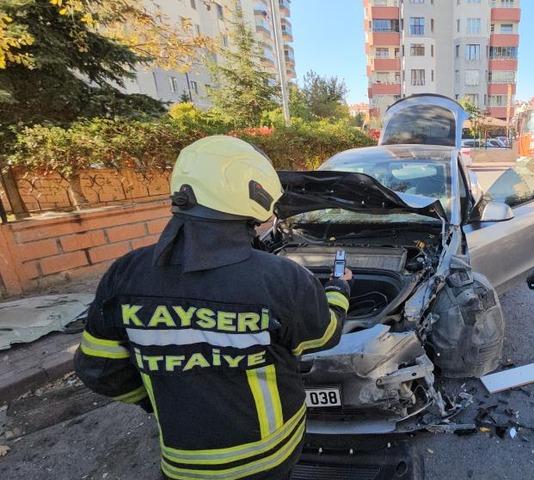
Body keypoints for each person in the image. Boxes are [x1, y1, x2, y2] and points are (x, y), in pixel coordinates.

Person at [75, 136, 352, 480]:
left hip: (183, 464)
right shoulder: (280, 278)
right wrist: (339, 289)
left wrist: (157, 399)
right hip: (269, 458)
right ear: (253, 190)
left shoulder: (125, 274)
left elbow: (98, 370)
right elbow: (324, 334)